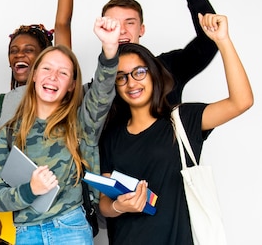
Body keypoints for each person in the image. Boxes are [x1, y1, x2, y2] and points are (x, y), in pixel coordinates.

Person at [98, 14, 253, 245]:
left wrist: (223, 41)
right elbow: (104, 205)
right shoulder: (111, 135)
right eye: (121, 77)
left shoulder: (182, 120)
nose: (131, 83)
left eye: (139, 72)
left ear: (153, 74)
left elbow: (241, 101)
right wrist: (119, 206)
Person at [0, 0, 80, 243]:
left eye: (30, 50)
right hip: (19, 216)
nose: (20, 55)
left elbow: (62, 25)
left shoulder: (61, 93)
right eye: (14, 50)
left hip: (64, 218)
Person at [0, 16, 120, 245]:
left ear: (71, 86)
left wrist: (109, 48)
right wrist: (30, 190)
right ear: (35, 74)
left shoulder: (80, 123)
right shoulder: (9, 132)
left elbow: (101, 94)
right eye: (47, 68)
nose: (52, 77)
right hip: (26, 233)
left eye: (63, 72)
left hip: (71, 228)